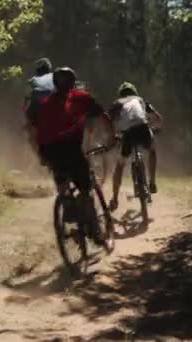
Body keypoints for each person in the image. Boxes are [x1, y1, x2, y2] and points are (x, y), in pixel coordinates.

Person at [26, 66, 116, 251]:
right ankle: (95, 231)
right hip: (70, 149)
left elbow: (32, 128)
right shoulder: (80, 97)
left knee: (62, 180)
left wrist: (40, 153)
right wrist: (112, 137)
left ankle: (67, 206)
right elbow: (103, 118)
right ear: (73, 82)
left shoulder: (43, 102)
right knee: (85, 189)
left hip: (48, 150)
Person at [107, 82, 163, 212]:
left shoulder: (117, 103)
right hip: (143, 128)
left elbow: (107, 120)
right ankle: (152, 182)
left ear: (121, 94)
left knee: (120, 165)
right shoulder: (140, 100)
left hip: (128, 133)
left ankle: (115, 199)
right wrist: (158, 128)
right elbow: (157, 117)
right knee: (152, 150)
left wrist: (113, 136)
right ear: (135, 92)